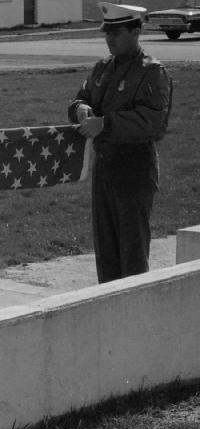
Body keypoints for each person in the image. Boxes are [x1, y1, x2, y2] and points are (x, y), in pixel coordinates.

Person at [68, 2, 172, 284]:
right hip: (104, 166)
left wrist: (106, 124)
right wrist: (80, 109)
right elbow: (82, 97)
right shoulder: (103, 68)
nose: (110, 39)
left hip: (134, 167)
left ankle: (135, 317)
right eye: (107, 33)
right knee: (106, 248)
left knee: (132, 248)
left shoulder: (152, 72)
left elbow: (153, 123)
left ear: (136, 32)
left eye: (117, 32)